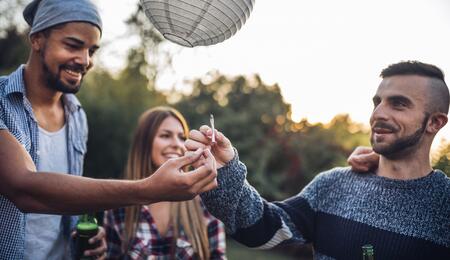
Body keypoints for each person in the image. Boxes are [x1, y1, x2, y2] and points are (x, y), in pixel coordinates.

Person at [0, 0, 217, 259]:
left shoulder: (77, 116)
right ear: (37, 39)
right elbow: (23, 188)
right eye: (73, 45)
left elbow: (64, 200)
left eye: (92, 50)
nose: (85, 60)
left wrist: (83, 240)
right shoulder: (1, 101)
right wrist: (148, 189)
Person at [186, 61, 450, 259]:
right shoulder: (333, 185)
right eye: (376, 102)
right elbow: (262, 229)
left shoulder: (444, 205)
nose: (378, 114)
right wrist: (225, 170)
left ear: (435, 122)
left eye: (399, 104)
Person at [104, 106, 226, 259]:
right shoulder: (118, 205)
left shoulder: (205, 202)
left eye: (182, 137)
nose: (177, 144)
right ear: (144, 143)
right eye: (165, 135)